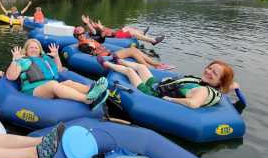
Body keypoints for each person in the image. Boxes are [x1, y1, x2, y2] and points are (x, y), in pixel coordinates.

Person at [6, 39, 109, 110]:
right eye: (31, 48)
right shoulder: (23, 61)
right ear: (26, 50)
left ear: (39, 50)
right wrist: (15, 60)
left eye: (36, 48)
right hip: (33, 91)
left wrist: (56, 56)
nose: (33, 49)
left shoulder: (45, 59)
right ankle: (86, 99)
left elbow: (59, 69)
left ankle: (92, 90)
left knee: (68, 82)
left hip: (49, 86)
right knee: (53, 84)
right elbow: (11, 77)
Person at [101, 59, 239, 108]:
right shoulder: (215, 87)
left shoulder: (203, 91)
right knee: (142, 68)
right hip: (159, 86)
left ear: (219, 81)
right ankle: (119, 61)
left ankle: (107, 64)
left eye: (214, 73)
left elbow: (193, 103)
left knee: (130, 72)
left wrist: (170, 99)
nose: (208, 72)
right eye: (209, 68)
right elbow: (228, 86)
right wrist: (233, 86)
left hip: (153, 93)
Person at [73, 26, 174, 70]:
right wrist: (92, 48)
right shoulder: (82, 45)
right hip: (107, 59)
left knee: (134, 50)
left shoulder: (89, 39)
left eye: (82, 33)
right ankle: (153, 67)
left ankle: (157, 65)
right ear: (76, 36)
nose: (82, 35)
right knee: (132, 51)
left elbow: (100, 41)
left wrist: (102, 35)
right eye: (79, 35)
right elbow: (92, 54)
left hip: (109, 54)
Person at [81, 15, 165, 46]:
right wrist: (88, 23)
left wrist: (100, 26)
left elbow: (106, 30)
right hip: (115, 37)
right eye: (92, 23)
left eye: (93, 22)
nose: (94, 23)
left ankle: (142, 33)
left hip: (115, 33)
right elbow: (93, 30)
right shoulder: (94, 32)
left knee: (127, 27)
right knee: (132, 33)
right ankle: (152, 40)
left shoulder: (98, 28)